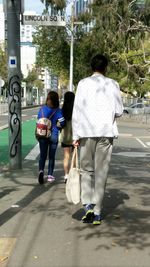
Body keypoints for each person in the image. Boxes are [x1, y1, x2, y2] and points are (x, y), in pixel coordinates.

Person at [72, 54, 123, 225]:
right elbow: (119, 111)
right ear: (105, 67)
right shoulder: (114, 84)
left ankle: (87, 206)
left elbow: (77, 111)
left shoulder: (83, 84)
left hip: (86, 132)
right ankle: (98, 212)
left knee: (86, 170)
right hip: (106, 132)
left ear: (91, 67)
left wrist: (75, 136)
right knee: (101, 172)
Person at [37, 91, 65, 184]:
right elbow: (63, 123)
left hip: (42, 134)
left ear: (48, 99)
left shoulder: (42, 109)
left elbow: (38, 120)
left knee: (42, 155)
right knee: (51, 157)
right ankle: (49, 176)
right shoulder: (58, 111)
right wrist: (57, 127)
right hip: (54, 134)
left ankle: (41, 171)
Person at [60, 91, 75, 183]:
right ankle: (73, 175)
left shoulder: (62, 110)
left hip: (65, 136)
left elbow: (60, 124)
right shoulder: (77, 110)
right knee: (74, 156)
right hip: (75, 136)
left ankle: (66, 175)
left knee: (66, 156)